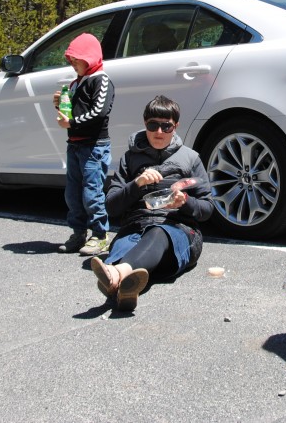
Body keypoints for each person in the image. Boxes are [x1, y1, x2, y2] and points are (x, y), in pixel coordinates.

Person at [90, 95, 212, 311]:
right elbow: (111, 206)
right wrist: (136, 184)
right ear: (144, 124)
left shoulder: (190, 158)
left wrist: (185, 202)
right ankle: (127, 286)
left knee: (157, 233)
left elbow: (207, 209)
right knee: (124, 247)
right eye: (153, 125)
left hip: (177, 232)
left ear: (176, 126)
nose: (159, 132)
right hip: (135, 228)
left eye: (166, 127)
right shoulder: (130, 159)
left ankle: (116, 275)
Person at [55, 33, 115, 256]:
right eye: (71, 61)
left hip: (94, 146)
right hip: (75, 144)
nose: (73, 65)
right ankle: (78, 232)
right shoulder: (76, 83)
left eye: (77, 60)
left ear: (90, 59)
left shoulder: (101, 80)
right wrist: (61, 104)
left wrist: (71, 122)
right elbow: (74, 108)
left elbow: (99, 112)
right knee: (73, 193)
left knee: (92, 192)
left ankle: (100, 235)